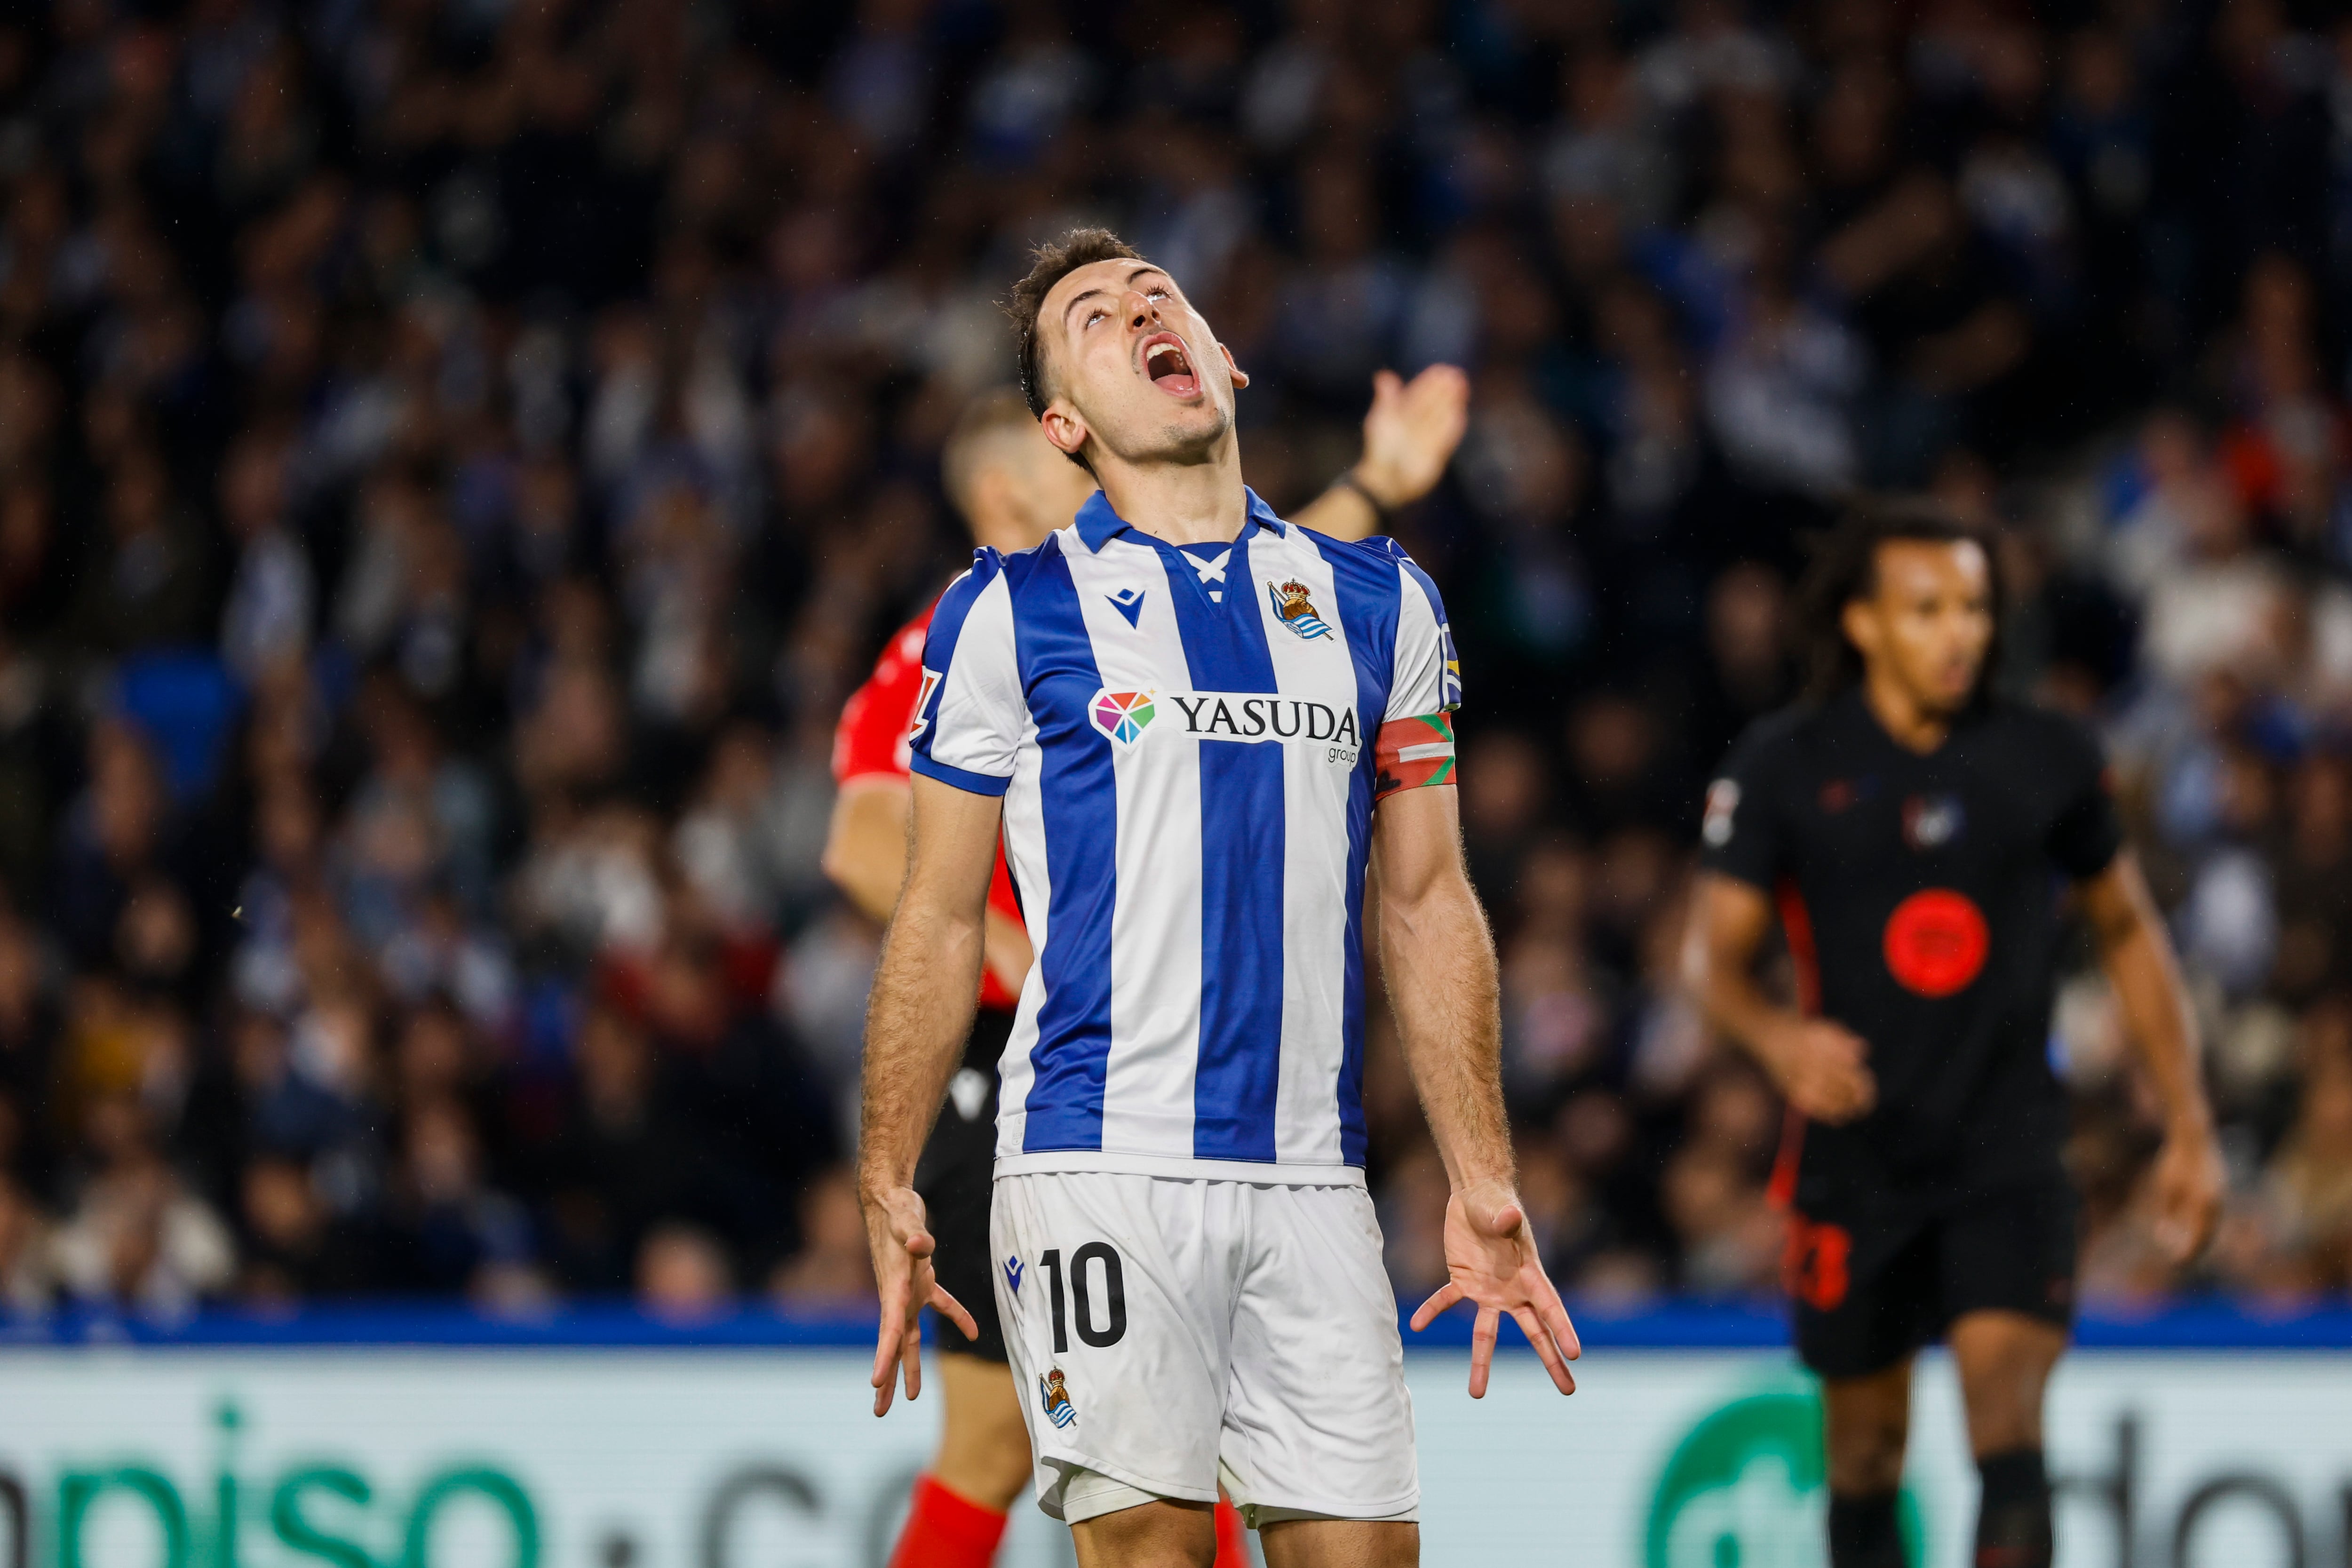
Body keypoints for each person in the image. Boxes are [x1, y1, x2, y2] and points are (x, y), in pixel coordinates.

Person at [855, 227, 1579, 1568]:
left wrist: (1483, 1174)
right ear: (1064, 421)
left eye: (1157, 294)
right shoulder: (1009, 614)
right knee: (1148, 1544)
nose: (1138, 312)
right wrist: (888, 1169)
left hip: (1313, 1174)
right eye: (1091, 316)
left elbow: (1426, 900)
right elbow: (937, 912)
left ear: (1225, 358)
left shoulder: (1381, 601)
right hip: (1094, 1157)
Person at [1682, 503, 2225, 1568]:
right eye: (1927, 609)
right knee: (1867, 1452)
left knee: (2006, 1424)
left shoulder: (2045, 756)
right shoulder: (1787, 763)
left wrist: (2190, 1127)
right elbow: (1710, 962)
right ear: (1864, 623)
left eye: (1974, 608)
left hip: (2007, 1151)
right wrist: (1775, 1037)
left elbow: (2128, 929)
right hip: (1856, 1157)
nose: (1958, 633)